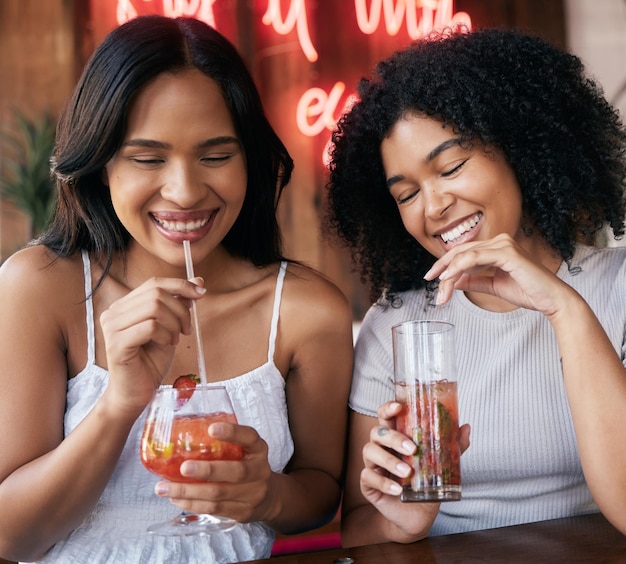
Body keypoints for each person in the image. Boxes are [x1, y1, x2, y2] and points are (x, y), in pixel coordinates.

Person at [0, 15, 353, 563]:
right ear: (102, 166)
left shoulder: (307, 311)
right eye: (148, 159)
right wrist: (120, 403)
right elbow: (10, 537)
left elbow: (321, 491)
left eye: (216, 156)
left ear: (250, 160)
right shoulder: (38, 289)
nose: (185, 192)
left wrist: (269, 494)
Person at [325, 27, 626, 547]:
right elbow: (358, 529)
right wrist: (403, 520)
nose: (433, 206)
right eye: (405, 194)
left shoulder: (618, 286)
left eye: (452, 167)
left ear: (521, 149)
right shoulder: (396, 324)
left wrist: (564, 308)